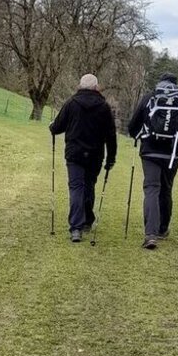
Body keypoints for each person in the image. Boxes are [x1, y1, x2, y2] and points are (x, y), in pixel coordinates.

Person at [127, 73, 178, 250]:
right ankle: (162, 229)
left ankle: (150, 234)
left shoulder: (150, 98)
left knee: (151, 189)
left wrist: (138, 136)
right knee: (166, 189)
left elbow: (133, 125)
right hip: (172, 154)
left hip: (150, 151)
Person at [50, 74, 118, 243]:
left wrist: (52, 127)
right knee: (89, 186)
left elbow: (57, 127)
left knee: (76, 187)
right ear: (96, 88)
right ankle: (87, 220)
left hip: (74, 153)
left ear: (80, 86)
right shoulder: (104, 107)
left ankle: (76, 228)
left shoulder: (72, 103)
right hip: (95, 155)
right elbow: (111, 135)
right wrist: (111, 157)